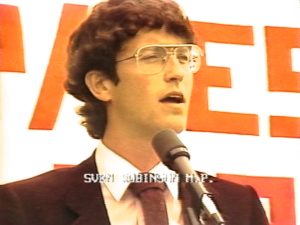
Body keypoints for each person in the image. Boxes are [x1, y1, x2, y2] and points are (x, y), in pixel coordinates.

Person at [0, 0, 269, 225]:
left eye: (185, 58)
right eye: (153, 57)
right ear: (102, 84)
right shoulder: (27, 206)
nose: (177, 73)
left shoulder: (238, 207)